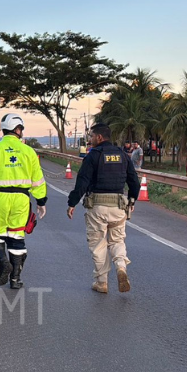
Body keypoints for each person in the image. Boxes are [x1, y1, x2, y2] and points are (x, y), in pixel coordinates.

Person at [0, 114, 47, 289]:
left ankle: (3, 262)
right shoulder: (29, 152)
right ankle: (15, 279)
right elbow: (38, 180)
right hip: (21, 199)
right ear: (18, 129)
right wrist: (41, 201)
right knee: (16, 237)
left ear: (3, 129)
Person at [66, 123, 140, 294]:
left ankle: (102, 282)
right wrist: (132, 200)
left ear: (99, 137)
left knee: (98, 243)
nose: (90, 140)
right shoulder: (123, 155)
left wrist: (72, 203)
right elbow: (134, 181)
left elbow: (82, 182)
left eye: (91, 136)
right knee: (117, 241)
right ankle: (121, 266)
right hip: (118, 206)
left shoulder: (93, 156)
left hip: (97, 207)